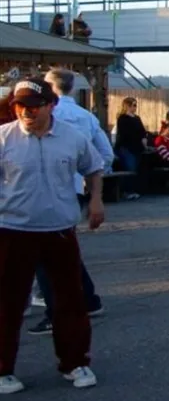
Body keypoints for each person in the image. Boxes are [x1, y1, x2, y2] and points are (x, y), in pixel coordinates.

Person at [0, 77, 105, 393]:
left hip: (59, 230)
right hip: (13, 230)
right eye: (20, 106)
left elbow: (94, 166)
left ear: (50, 105)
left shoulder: (71, 137)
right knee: (7, 301)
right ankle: (3, 368)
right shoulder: (4, 138)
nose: (26, 113)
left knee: (69, 299)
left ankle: (74, 363)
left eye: (33, 106)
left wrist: (96, 200)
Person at [26, 68, 111, 335]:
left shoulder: (38, 118)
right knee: (62, 249)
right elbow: (104, 154)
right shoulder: (85, 117)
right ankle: (88, 299)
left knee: (43, 253)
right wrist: (91, 184)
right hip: (73, 188)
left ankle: (55, 309)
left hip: (36, 190)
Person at [114, 97, 148, 200]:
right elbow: (125, 134)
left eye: (135, 105)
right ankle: (126, 191)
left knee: (135, 168)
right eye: (133, 105)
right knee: (130, 167)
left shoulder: (137, 118)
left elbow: (142, 131)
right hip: (126, 147)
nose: (135, 107)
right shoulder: (122, 118)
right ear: (127, 106)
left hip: (137, 147)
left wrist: (144, 140)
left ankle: (133, 189)